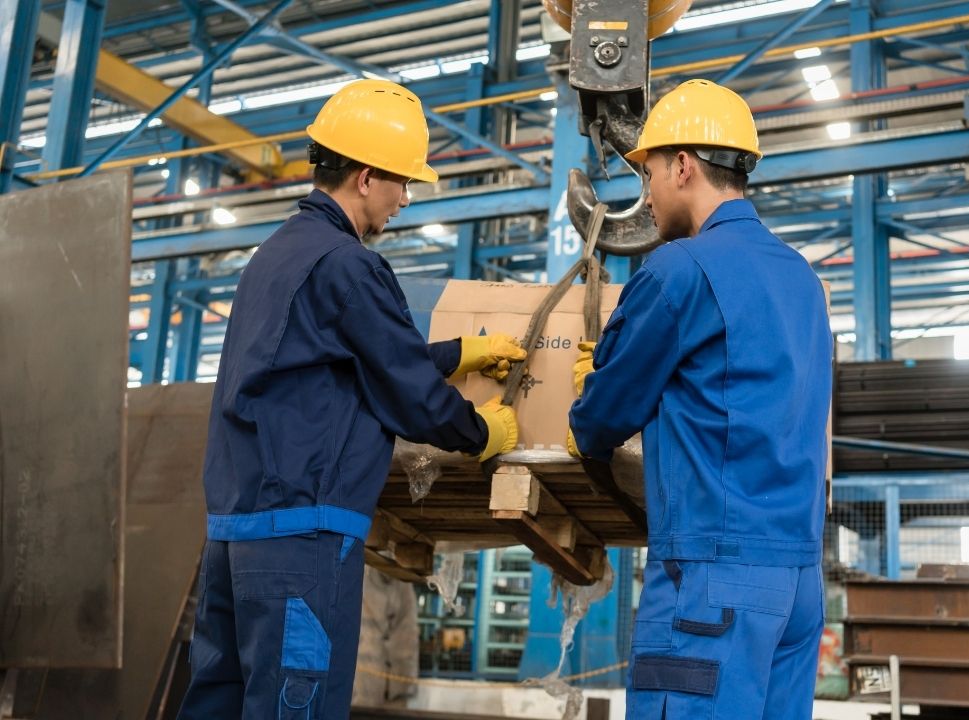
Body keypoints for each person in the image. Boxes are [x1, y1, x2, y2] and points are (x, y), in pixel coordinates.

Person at [178, 79, 525, 719]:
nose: (404, 199)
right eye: (402, 182)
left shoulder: (274, 257)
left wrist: (456, 353)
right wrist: (482, 433)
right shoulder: (348, 265)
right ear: (366, 177)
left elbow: (336, 363)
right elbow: (407, 394)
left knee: (218, 703)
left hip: (233, 535)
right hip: (301, 538)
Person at [568, 79, 833, 720]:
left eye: (650, 173)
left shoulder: (679, 271)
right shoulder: (803, 278)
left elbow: (598, 425)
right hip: (798, 585)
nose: (648, 196)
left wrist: (588, 381)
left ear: (684, 166)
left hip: (713, 585)